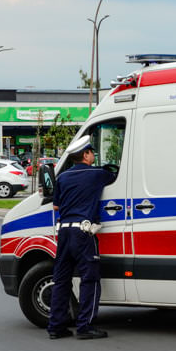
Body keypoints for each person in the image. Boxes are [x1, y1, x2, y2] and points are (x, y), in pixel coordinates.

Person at [47, 136, 117, 340]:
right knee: (90, 278)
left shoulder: (63, 177)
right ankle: (85, 326)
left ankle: (56, 326)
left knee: (61, 280)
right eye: (91, 152)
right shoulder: (97, 174)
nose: (93, 155)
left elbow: (56, 206)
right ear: (85, 155)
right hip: (83, 233)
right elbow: (116, 178)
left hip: (65, 233)